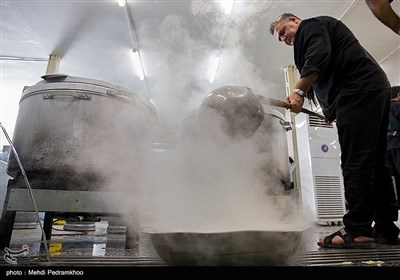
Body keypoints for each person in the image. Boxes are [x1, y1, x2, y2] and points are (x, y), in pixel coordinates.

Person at [269, 13, 400, 248]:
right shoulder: (319, 31)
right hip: (372, 89)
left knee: (356, 161)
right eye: (279, 38)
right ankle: (385, 228)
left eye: (282, 32)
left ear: (295, 20)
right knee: (375, 162)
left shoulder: (311, 26)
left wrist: (298, 91)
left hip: (357, 91)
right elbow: (329, 69)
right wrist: (331, 110)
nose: (283, 39)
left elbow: (319, 55)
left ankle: (358, 229)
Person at [386, 86, 400, 208]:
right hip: (398, 145)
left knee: (394, 179)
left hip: (386, 149)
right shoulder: (398, 106)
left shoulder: (381, 110)